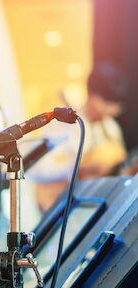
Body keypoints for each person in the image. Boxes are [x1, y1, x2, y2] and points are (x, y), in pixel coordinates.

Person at [32, 62, 128, 210]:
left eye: (116, 105)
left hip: (96, 204)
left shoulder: (111, 128)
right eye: (107, 102)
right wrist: (79, 166)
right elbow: (37, 169)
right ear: (91, 94)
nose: (112, 110)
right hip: (64, 206)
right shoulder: (64, 123)